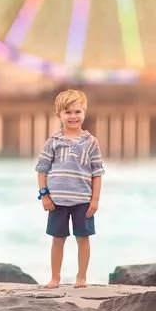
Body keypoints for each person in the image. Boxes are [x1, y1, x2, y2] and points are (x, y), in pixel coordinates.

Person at [34, 88, 105, 289]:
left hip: (83, 199)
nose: (73, 116)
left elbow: (97, 172)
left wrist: (95, 200)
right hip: (57, 201)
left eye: (77, 112)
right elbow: (42, 170)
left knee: (83, 238)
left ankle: (81, 277)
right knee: (58, 239)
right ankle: (55, 278)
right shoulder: (53, 142)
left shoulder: (91, 142)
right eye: (68, 112)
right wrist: (44, 195)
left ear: (84, 113)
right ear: (59, 115)